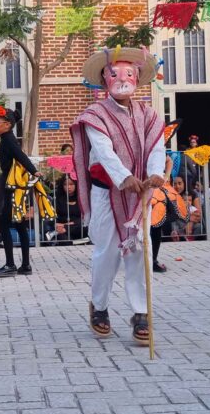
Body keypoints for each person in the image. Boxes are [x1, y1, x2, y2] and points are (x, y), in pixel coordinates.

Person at [71, 45, 165, 343]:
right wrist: (124, 177)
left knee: (140, 250)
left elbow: (156, 148)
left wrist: (155, 174)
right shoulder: (94, 115)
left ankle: (141, 313)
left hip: (139, 196)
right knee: (107, 252)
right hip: (106, 192)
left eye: (128, 73)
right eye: (115, 74)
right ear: (104, 79)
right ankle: (99, 307)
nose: (122, 78)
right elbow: (104, 152)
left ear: (137, 78)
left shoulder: (150, 115)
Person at [0, 106, 40, 277]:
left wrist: (34, 170)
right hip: (11, 184)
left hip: (11, 186)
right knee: (19, 225)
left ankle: (11, 264)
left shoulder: (9, 140)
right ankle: (25, 265)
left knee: (5, 224)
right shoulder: (6, 138)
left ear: (7, 124)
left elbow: (21, 156)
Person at [49, 176, 87, 243]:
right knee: (63, 238)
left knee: (86, 226)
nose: (68, 187)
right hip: (61, 228)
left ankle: (76, 241)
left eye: (71, 184)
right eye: (65, 184)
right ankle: (76, 242)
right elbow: (52, 216)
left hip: (78, 227)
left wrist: (66, 226)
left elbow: (85, 216)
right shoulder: (57, 200)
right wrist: (56, 224)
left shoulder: (82, 199)